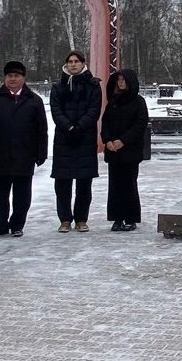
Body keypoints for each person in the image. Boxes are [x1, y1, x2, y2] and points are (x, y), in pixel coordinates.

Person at [0, 60, 48, 238]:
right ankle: (0, 226)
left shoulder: (34, 100)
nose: (12, 79)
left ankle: (17, 224)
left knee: (22, 195)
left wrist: (41, 152)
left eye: (16, 76)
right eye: (10, 76)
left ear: (23, 78)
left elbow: (42, 129)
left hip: (24, 154)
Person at [49, 51, 101, 232]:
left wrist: (79, 127)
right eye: (70, 61)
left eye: (76, 61)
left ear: (82, 63)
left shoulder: (93, 85)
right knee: (63, 182)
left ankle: (81, 219)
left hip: (85, 138)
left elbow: (94, 110)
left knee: (84, 182)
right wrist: (69, 127)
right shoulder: (58, 86)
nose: (73, 64)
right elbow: (55, 110)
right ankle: (64, 219)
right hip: (63, 139)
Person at [101, 68, 149, 231]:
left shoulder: (138, 102)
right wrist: (107, 140)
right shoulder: (113, 101)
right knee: (114, 185)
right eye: (118, 80)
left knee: (129, 184)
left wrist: (123, 140)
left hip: (130, 150)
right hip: (113, 151)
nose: (120, 82)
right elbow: (105, 123)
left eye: (123, 79)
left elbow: (140, 124)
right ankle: (117, 217)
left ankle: (131, 217)